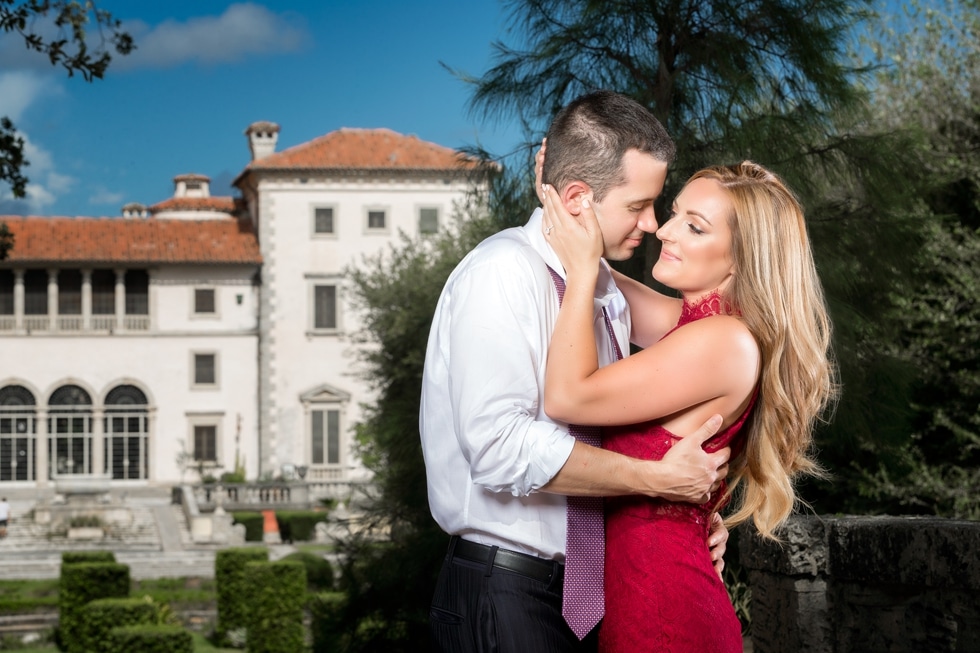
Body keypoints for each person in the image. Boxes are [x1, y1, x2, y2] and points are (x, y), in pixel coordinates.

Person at [420, 89, 732, 653]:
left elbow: (700, 344)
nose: (653, 223)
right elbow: (498, 447)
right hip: (505, 592)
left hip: (589, 600)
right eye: (638, 205)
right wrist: (659, 481)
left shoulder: (603, 288)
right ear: (579, 199)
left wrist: (688, 517)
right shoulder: (501, 276)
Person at [539, 161, 838, 652]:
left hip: (664, 608)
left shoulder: (722, 341)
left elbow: (568, 395)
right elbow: (596, 272)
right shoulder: (695, 323)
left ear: (742, 258)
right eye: (675, 213)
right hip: (647, 590)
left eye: (695, 227)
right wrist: (561, 190)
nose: (665, 231)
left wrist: (580, 271)